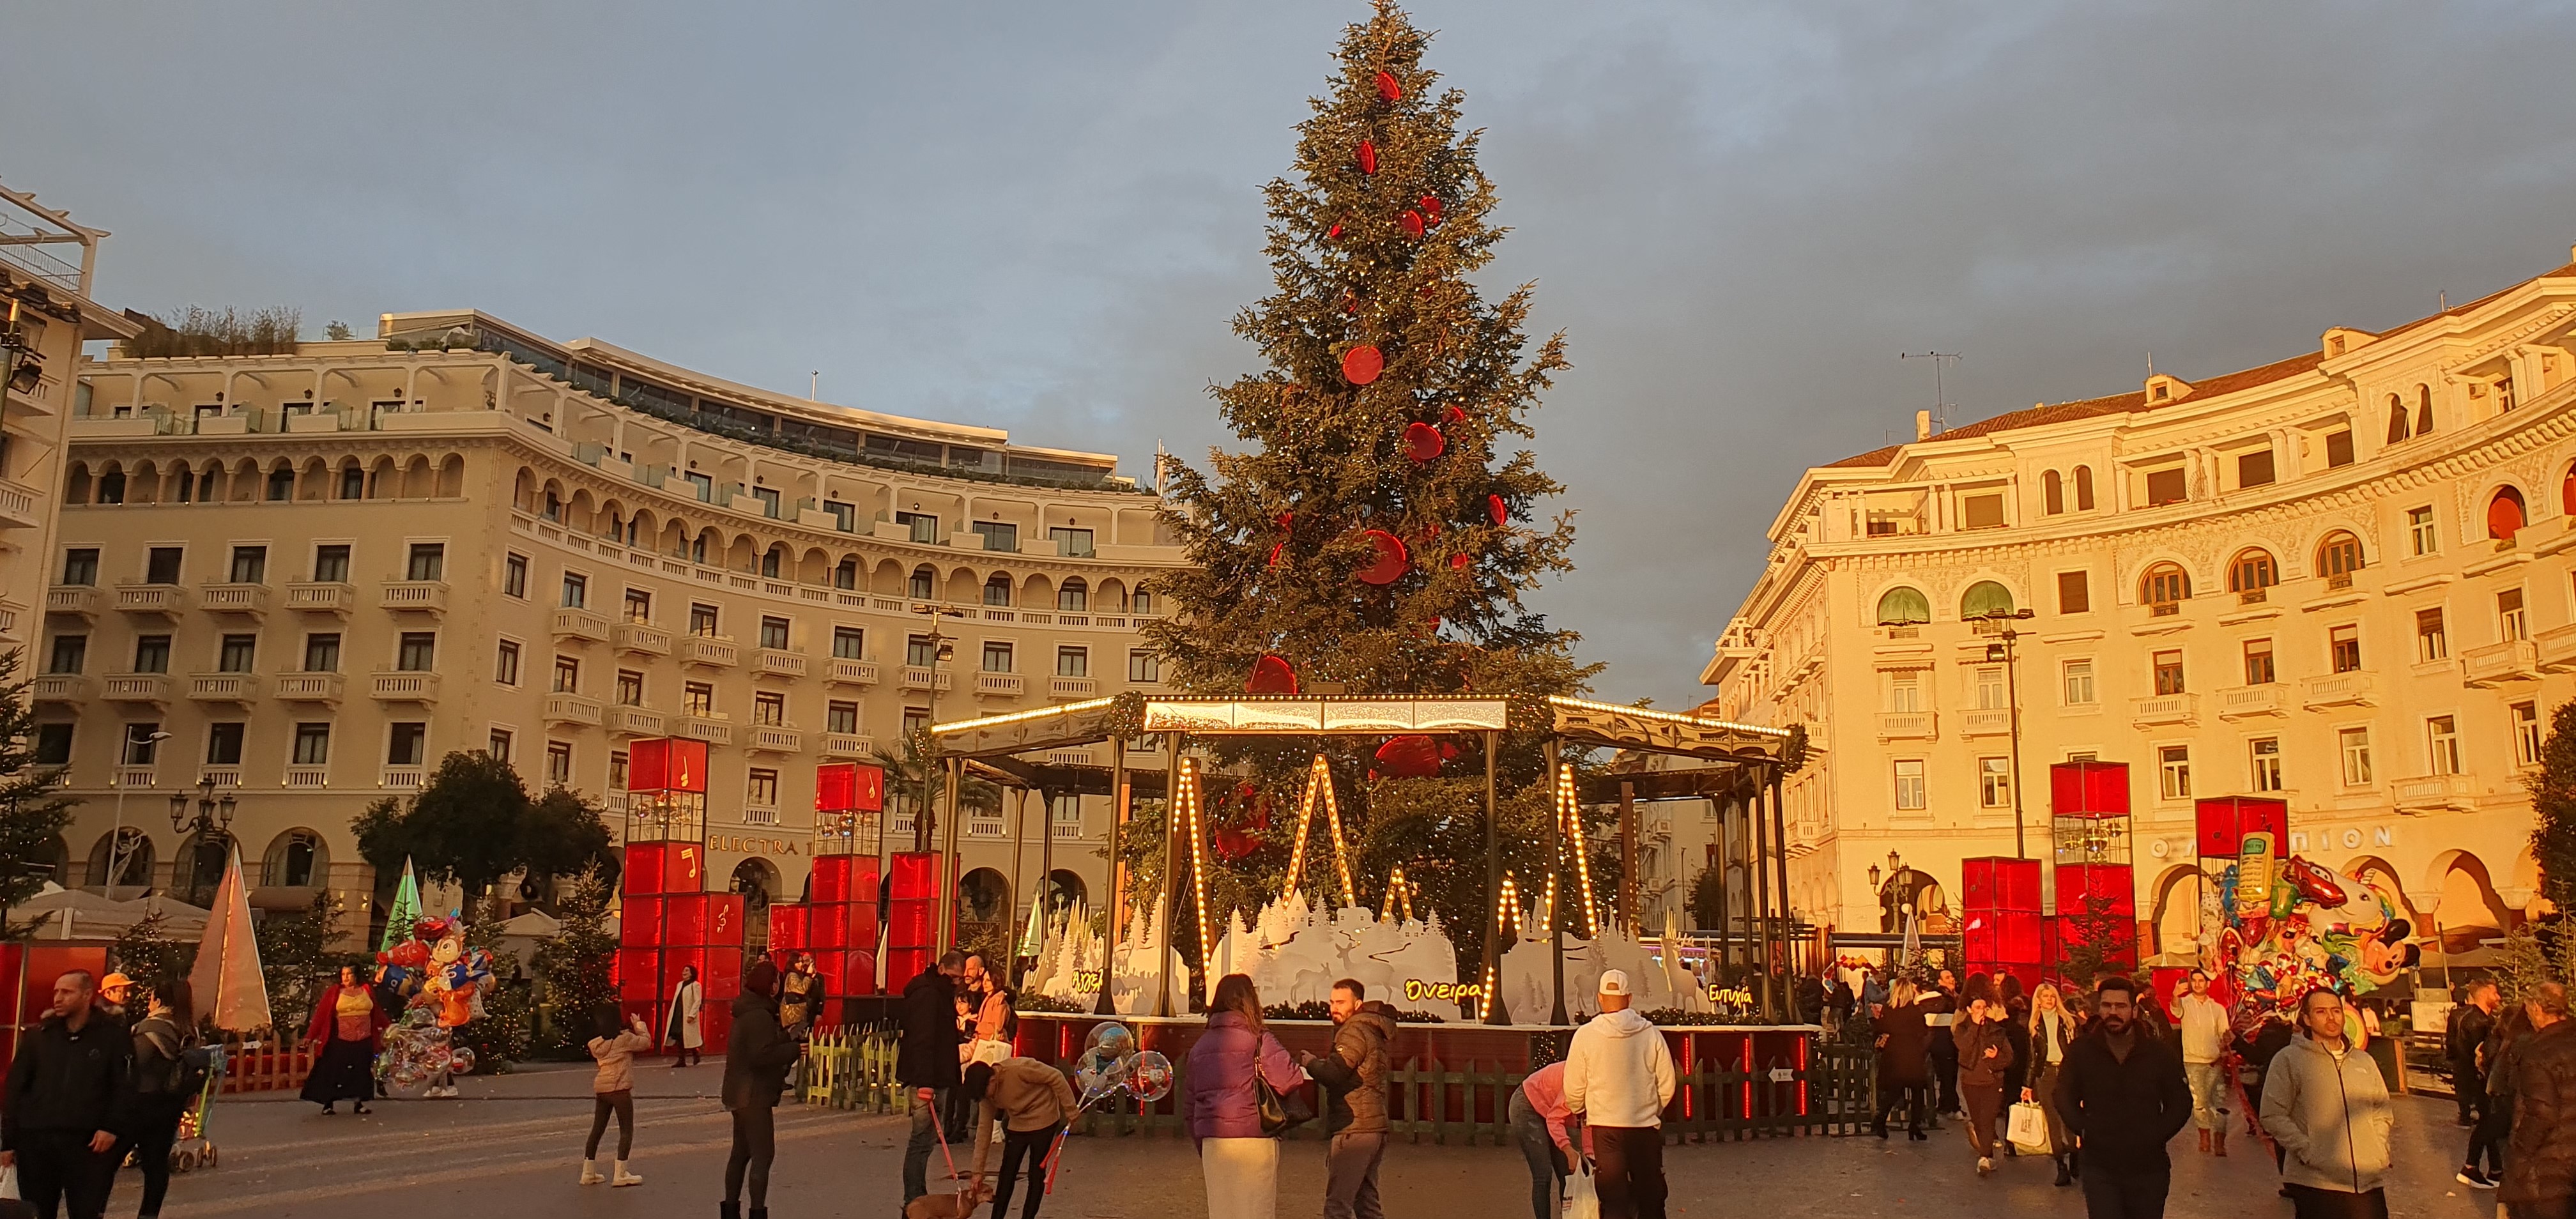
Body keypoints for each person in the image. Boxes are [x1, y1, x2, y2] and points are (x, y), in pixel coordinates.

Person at [2054, 977, 2189, 1219]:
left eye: (2120, 1006)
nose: (2113, 1012)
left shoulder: (2158, 1053)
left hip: (2148, 1166)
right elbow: (2063, 1095)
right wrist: (2084, 1129)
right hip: (2100, 1165)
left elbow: (2180, 1102)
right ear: (2099, 1008)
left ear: (2134, 1010)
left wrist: (2156, 1134)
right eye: (2107, 1006)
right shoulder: (2081, 1051)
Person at [2, 971, 128, 1219]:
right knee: (37, 1211)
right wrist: (8, 1141)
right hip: (37, 1143)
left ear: (87, 995)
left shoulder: (112, 1036)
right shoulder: (40, 1036)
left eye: (67, 992)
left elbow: (124, 1085)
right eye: (56, 992)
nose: (58, 998)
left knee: (85, 1211)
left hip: (88, 1144)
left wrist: (111, 1127)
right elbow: (16, 1088)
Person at [2261, 988, 2394, 1219]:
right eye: (2321, 1012)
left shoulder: (2364, 1061)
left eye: (2336, 1011)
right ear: (2307, 1019)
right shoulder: (2289, 1060)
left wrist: (2378, 1149)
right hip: (2317, 1182)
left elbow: (2381, 1110)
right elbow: (2272, 1115)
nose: (2331, 1018)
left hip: (2367, 1182)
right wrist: (2309, 1151)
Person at [1184, 974, 1307, 1219]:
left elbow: (1189, 1106)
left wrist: (1203, 1142)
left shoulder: (1199, 1047)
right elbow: (1289, 1079)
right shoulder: (1260, 1039)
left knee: (1222, 1212)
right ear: (1251, 1001)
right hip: (1254, 1137)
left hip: (1215, 1141)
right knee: (1256, 1212)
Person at [1563, 970, 1676, 1219]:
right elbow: (1667, 1083)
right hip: (1644, 1127)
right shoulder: (1650, 1034)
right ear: (1629, 998)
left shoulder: (1585, 1036)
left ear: (1601, 998)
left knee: (1613, 1199)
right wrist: (1651, 1109)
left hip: (1606, 1128)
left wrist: (1580, 1107)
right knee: (1651, 1197)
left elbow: (1573, 1086)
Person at [1300, 978, 1396, 1219]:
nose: (1334, 1007)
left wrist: (1311, 1063)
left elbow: (1334, 1073)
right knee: (1366, 1203)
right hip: (1372, 1126)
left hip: (1354, 1128)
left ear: (1358, 1004)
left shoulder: (1354, 1030)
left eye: (1341, 1002)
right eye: (1332, 1002)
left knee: (1337, 1206)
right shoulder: (1372, 1030)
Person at [720, 960, 800, 1219]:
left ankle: (730, 1209)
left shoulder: (749, 1010)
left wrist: (786, 1038)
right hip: (753, 1095)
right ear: (771, 984)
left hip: (739, 1094)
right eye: (777, 980)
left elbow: (760, 1047)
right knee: (763, 1156)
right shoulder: (759, 1015)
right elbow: (761, 1055)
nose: (779, 986)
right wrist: (794, 1049)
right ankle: (757, 1212)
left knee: (741, 1154)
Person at [962, 1055, 1077, 1219]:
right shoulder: (986, 1094)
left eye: (985, 1093)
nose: (987, 1098)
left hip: (1044, 1117)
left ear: (993, 1080)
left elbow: (1056, 1076)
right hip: (1018, 1123)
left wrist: (1070, 1109)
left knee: (1035, 1174)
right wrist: (977, 1171)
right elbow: (984, 1131)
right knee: (1007, 1173)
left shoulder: (1019, 1070)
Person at [119, 982, 196, 1219]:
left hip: (142, 1101)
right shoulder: (188, 1028)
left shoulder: (151, 1027)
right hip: (170, 1103)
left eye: (151, 997)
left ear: (159, 1001)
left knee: (108, 1161)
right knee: (156, 1165)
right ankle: (149, 1214)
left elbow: (136, 1062)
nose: (148, 1002)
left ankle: (96, 1210)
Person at [898, 951, 967, 1212]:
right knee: (920, 1140)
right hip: (927, 1079)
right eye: (953, 977)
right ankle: (914, 1200)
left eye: (959, 979)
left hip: (937, 1076)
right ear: (941, 969)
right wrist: (925, 1082)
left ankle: (917, 1199)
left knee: (925, 1142)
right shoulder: (928, 994)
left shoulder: (938, 992)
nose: (956, 983)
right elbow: (923, 1040)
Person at [2499, 982, 2572, 1219]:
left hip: (2549, 1169)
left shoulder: (2537, 1052)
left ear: (2538, 1007)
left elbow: (2541, 1114)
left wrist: (2517, 1158)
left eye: (2528, 1007)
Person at [299, 965, 388, 1115]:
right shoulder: (335, 992)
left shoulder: (366, 990)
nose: (346, 977)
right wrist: (310, 1035)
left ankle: (358, 1103)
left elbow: (377, 1012)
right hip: (340, 1039)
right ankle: (328, 1104)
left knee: (361, 1070)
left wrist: (388, 1027)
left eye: (349, 974)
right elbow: (321, 1015)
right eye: (343, 974)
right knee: (333, 1070)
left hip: (363, 1038)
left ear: (356, 975)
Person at [581, 1009, 653, 1188]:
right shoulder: (624, 1039)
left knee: (597, 1130)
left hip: (602, 1089)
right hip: (620, 1089)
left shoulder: (598, 1044)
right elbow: (646, 1043)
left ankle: (588, 1172)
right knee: (626, 1130)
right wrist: (638, 1025)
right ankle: (620, 1174)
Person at [1510, 1060, 1586, 1219]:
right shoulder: (1579, 1078)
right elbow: (1555, 1119)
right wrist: (1568, 1149)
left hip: (1552, 1109)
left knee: (1568, 1174)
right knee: (1543, 1175)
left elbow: (1589, 1127)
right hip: (1527, 1104)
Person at [1954, 978, 2015, 1176]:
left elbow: (2009, 1056)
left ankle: (1985, 1157)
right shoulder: (1962, 1028)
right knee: (1979, 1120)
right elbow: (1964, 1048)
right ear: (1970, 1010)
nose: (1981, 1010)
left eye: (1983, 1007)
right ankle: (1986, 1153)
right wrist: (1974, 1026)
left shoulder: (1996, 1029)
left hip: (1992, 1079)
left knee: (1988, 1119)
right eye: (1977, 1007)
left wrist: (1996, 1058)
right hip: (1970, 1080)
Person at [2021, 981, 2078, 1185]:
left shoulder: (2067, 1021)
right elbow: (2032, 1057)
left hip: (2065, 1072)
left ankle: (2074, 1154)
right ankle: (2060, 1166)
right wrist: (2027, 1085)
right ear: (2038, 1000)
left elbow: (2076, 1052)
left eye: (2053, 996)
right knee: (2053, 1121)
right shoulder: (2034, 1024)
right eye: (2045, 997)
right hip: (2045, 1074)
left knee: (2069, 1117)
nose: (2050, 1000)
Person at [2170, 969, 2231, 1156]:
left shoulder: (2218, 1008)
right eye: (2194, 981)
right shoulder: (2185, 1003)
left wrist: (2228, 1046)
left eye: (2201, 981)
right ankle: (2204, 1137)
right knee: (2200, 1103)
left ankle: (2219, 1141)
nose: (2197, 984)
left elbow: (2224, 1033)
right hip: (2193, 1061)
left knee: (2219, 1103)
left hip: (2215, 1062)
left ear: (2208, 984)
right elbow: (2175, 1010)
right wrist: (2175, 994)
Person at [2453, 981, 2506, 1186]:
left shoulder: (2481, 1019)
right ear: (2484, 995)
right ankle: (2471, 1167)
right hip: (2479, 1080)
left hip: (2476, 1079)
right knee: (2487, 1123)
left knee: (2488, 1123)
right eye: (2495, 993)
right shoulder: (2478, 1022)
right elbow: (2479, 1055)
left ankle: (2494, 1169)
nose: (2499, 997)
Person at [1871, 977, 1933, 1140]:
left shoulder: (1889, 1009)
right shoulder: (1914, 1011)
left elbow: (1881, 1028)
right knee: (1918, 1092)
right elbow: (1922, 1030)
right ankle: (1914, 1126)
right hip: (1912, 1053)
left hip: (1894, 1053)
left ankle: (1880, 1120)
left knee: (1894, 1091)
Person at [1928, 968, 1962, 1119]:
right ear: (1940, 981)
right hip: (1943, 1041)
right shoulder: (1941, 997)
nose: (1952, 979)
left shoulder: (1953, 996)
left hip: (1949, 1041)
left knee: (1949, 1074)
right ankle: (1953, 1107)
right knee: (1948, 1074)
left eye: (1952, 976)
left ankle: (1945, 1105)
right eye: (1948, 977)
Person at [663, 963, 704, 1069]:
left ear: (692, 973)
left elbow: (697, 1000)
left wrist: (692, 1014)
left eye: (687, 971)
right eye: (683, 970)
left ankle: (695, 1054)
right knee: (679, 1036)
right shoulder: (680, 984)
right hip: (679, 1013)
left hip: (687, 1014)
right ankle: (682, 1060)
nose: (684, 972)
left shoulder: (695, 985)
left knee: (686, 1036)